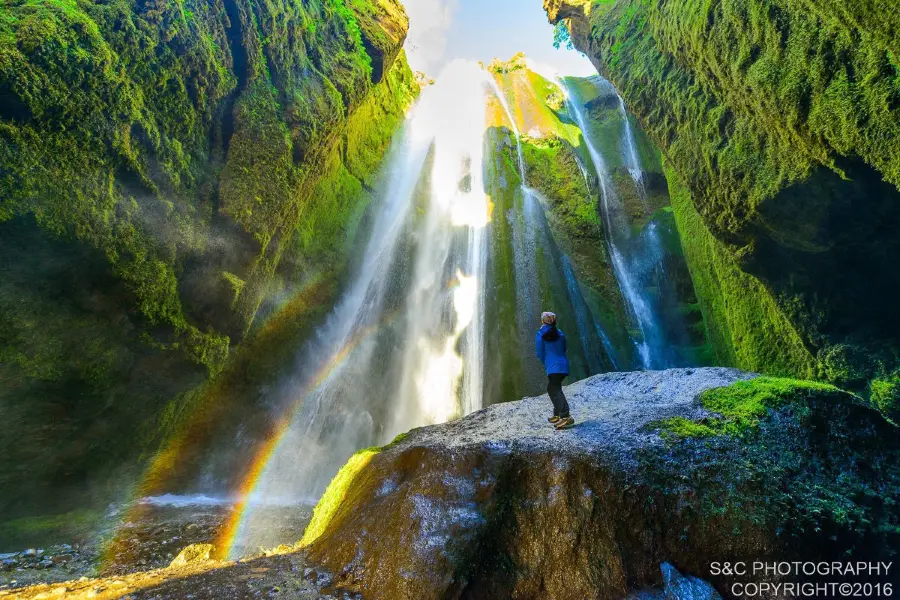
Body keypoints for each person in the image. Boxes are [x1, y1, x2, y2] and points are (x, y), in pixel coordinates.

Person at [535, 312, 574, 430]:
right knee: (554, 388)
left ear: (543, 321)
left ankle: (566, 416)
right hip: (563, 364)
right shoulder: (559, 333)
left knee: (554, 388)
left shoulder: (541, 334)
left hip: (552, 366)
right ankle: (557, 414)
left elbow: (540, 352)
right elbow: (564, 348)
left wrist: (546, 363)